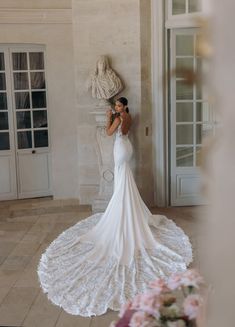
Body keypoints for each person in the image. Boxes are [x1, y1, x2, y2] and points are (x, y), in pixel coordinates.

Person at [38, 97, 192, 317]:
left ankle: (122, 210)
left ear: (123, 107)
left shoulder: (120, 118)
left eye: (119, 106)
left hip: (120, 148)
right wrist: (117, 116)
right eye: (116, 107)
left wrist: (109, 116)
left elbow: (109, 133)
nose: (117, 108)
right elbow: (121, 131)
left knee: (121, 181)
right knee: (123, 179)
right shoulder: (129, 117)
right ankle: (126, 207)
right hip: (126, 147)